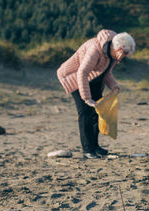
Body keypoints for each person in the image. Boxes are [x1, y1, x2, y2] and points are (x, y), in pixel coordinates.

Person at [57, 30, 135, 159]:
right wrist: (87, 98)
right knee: (86, 113)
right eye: (125, 53)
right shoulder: (95, 49)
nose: (125, 56)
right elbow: (82, 73)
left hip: (93, 79)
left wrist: (113, 85)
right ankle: (88, 150)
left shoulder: (113, 54)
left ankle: (95, 146)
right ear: (119, 48)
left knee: (98, 112)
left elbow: (106, 72)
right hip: (74, 77)